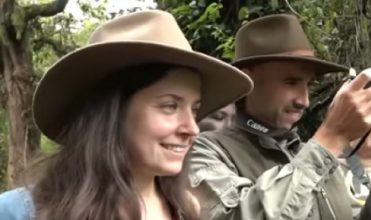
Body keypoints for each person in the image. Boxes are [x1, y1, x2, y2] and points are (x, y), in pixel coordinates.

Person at [0, 10, 253, 220]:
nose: (193, 128)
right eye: (170, 106)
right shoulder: (21, 212)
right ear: (113, 114)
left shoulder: (187, 211)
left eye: (194, 109)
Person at [182, 14, 371, 220]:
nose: (304, 100)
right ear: (249, 80)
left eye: (308, 85)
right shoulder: (203, 151)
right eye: (291, 82)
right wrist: (330, 138)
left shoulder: (315, 157)